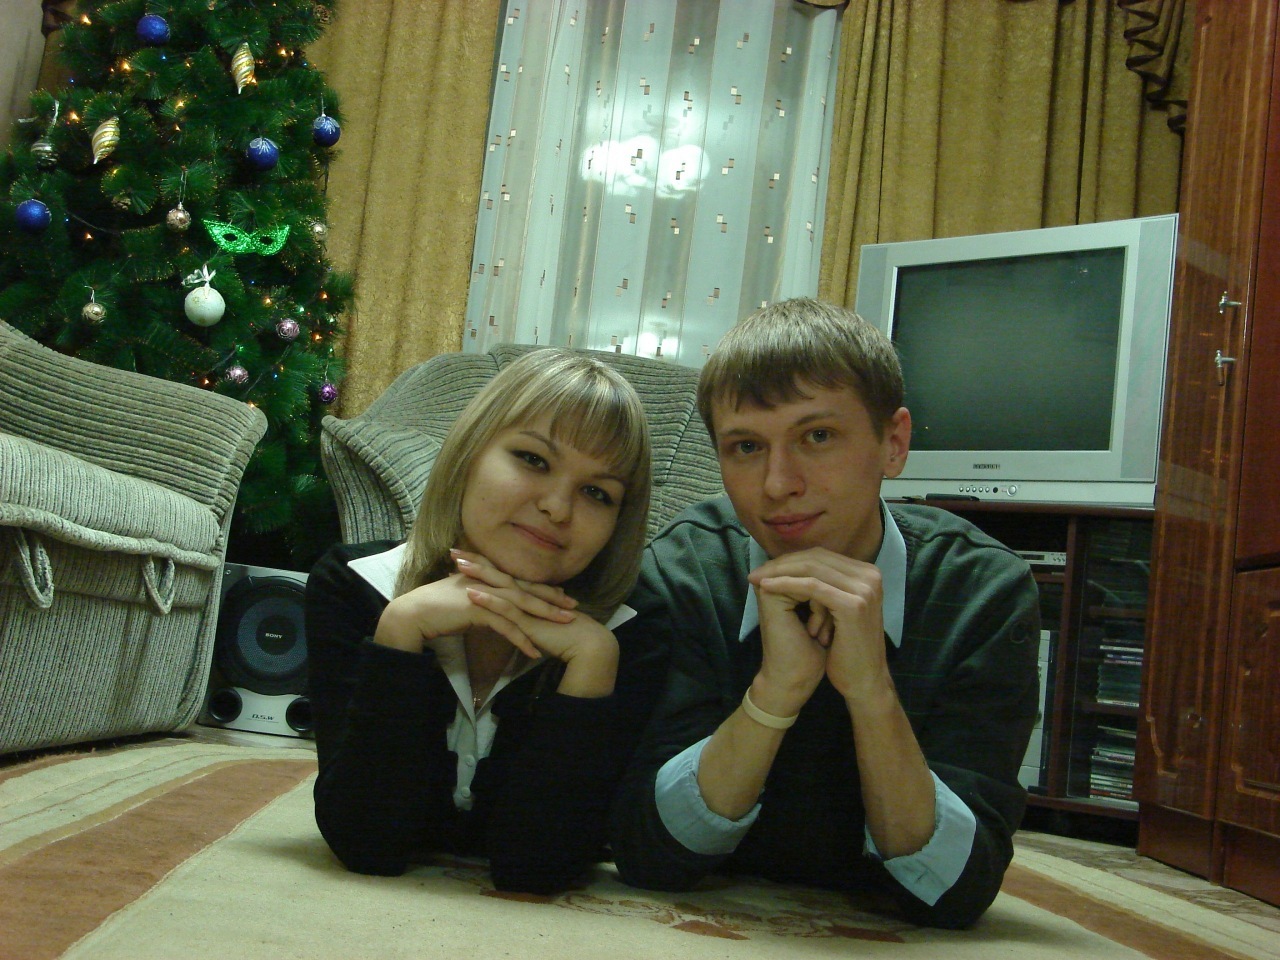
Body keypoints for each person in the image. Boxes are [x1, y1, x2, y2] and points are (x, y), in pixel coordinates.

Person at [609, 298, 1040, 928]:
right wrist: (775, 693)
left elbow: (956, 891)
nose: (778, 484)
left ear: (894, 443)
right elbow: (648, 854)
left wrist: (870, 691)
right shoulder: (686, 570)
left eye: (817, 437)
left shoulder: (983, 591)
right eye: (746, 446)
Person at [305, 348, 662, 894]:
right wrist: (400, 629)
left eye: (597, 493)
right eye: (534, 460)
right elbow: (365, 842)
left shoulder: (635, 630)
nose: (558, 507)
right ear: (469, 455)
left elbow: (538, 868)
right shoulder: (355, 585)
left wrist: (591, 663)